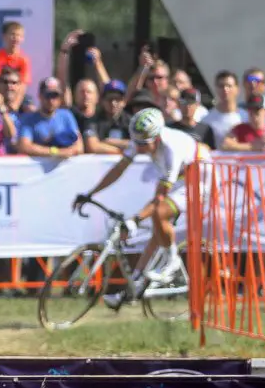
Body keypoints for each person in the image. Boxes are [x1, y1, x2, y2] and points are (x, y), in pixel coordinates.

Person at [72, 108, 212, 307]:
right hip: (181, 174)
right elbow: (119, 168)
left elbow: (160, 199)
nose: (138, 148)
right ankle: (134, 286)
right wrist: (91, 193)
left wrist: (135, 219)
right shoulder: (142, 139)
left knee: (160, 213)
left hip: (199, 173)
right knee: (157, 230)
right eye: (136, 143)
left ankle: (172, 261)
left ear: (156, 139)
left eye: (143, 144)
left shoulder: (171, 149)